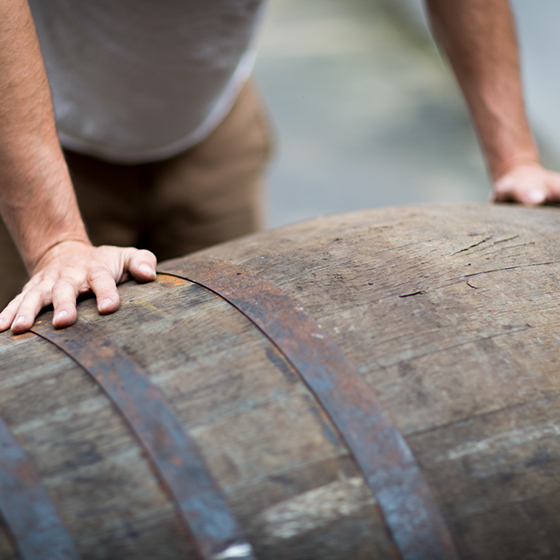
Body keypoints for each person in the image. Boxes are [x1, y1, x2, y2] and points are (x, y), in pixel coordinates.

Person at [0, 0, 559, 335]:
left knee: (230, 348)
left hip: (211, 125)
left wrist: (516, 159)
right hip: (41, 150)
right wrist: (57, 241)